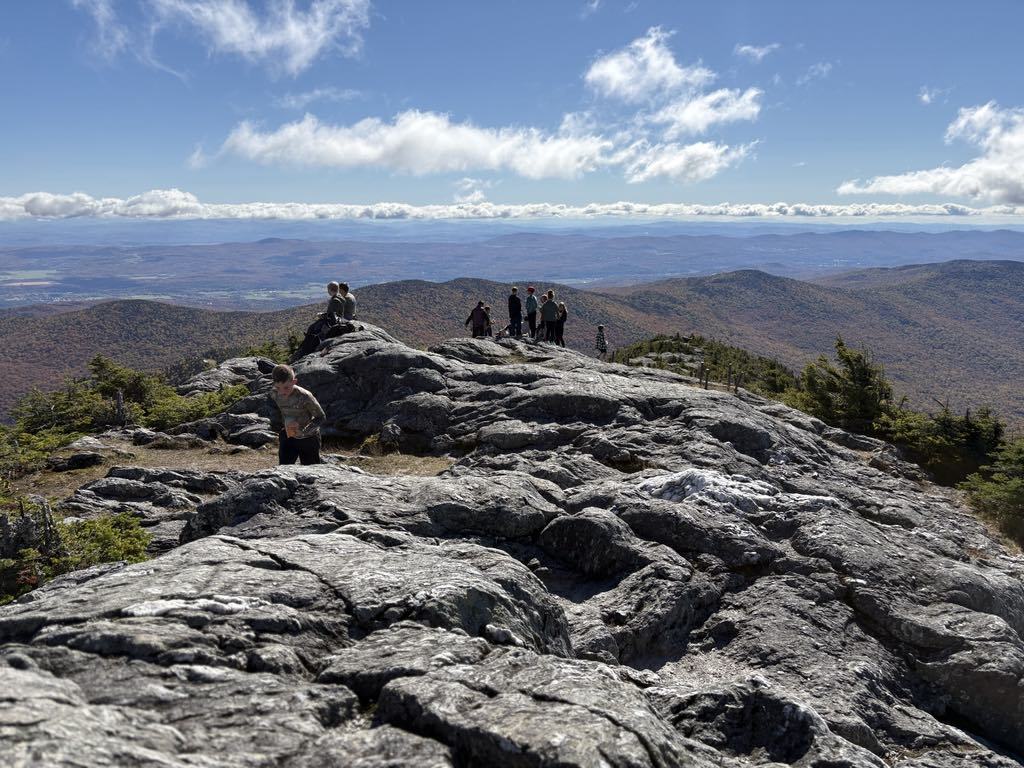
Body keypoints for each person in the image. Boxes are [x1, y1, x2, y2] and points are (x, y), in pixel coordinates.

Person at [269, 364, 325, 466]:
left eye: (286, 387)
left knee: (311, 472)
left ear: (294, 382)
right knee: (284, 469)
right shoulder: (273, 393)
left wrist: (304, 432)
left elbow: (320, 417)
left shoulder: (305, 396)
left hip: (308, 439)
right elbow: (276, 411)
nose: (281, 392)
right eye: (278, 387)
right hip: (288, 436)